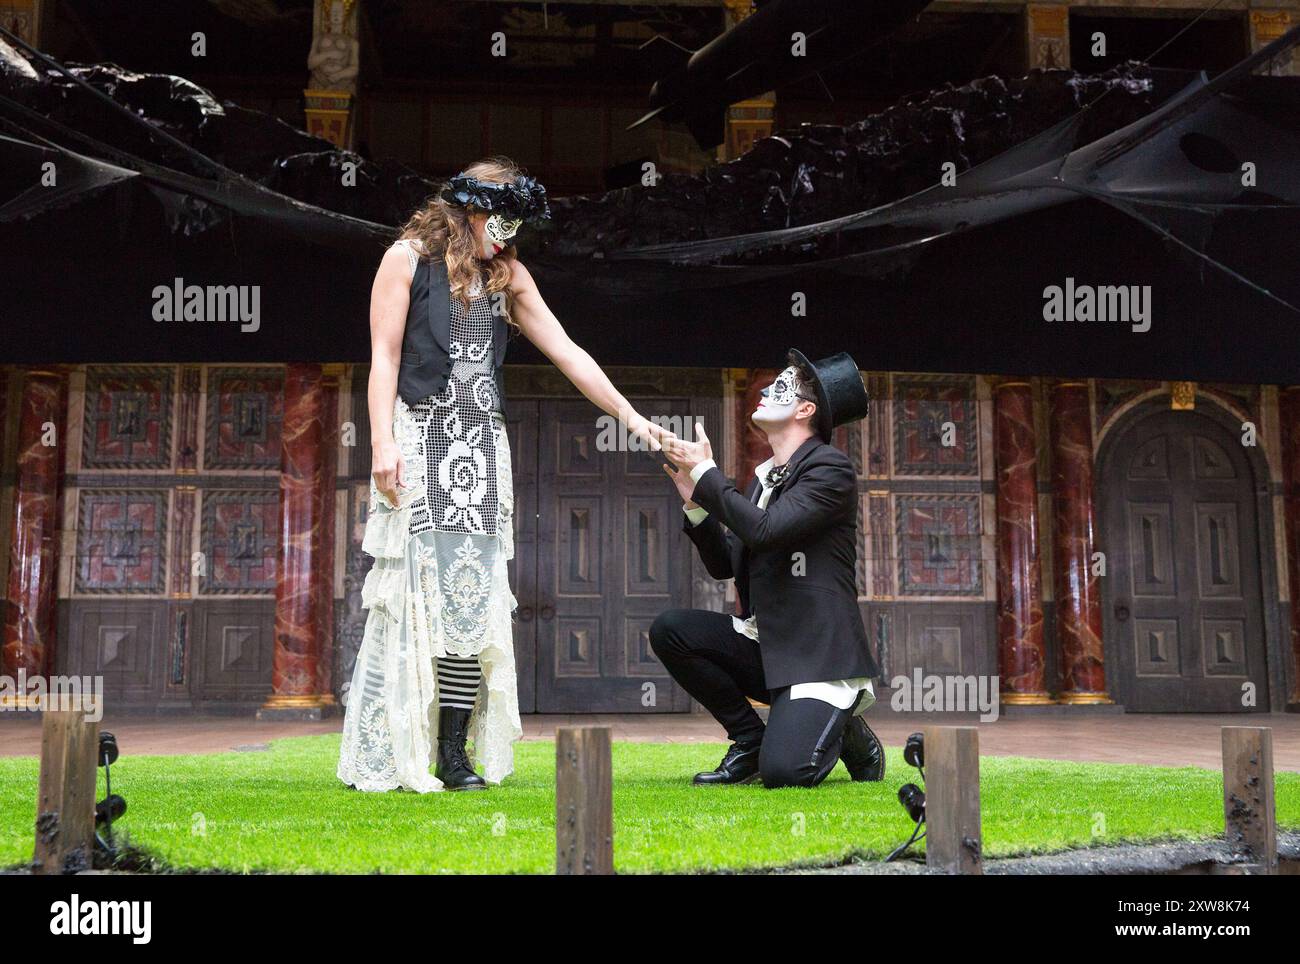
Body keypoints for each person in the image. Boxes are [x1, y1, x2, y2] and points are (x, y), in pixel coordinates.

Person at [338, 156, 673, 792]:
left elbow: (569, 352)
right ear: (468, 208)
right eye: (500, 217)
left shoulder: (508, 277)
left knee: (472, 596)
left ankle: (455, 756)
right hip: (420, 440)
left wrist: (634, 418)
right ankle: (387, 747)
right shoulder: (406, 259)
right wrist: (381, 442)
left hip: (483, 453)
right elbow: (382, 357)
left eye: (518, 222)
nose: (508, 232)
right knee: (410, 593)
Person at [655, 350, 885, 788]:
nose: (765, 389)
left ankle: (848, 727)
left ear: (806, 409)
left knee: (786, 774)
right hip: (769, 647)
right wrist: (695, 505)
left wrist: (707, 474)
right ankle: (748, 739)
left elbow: (766, 531)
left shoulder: (829, 469)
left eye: (782, 384)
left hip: (816, 655)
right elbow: (725, 565)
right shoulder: (764, 480)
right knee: (672, 630)